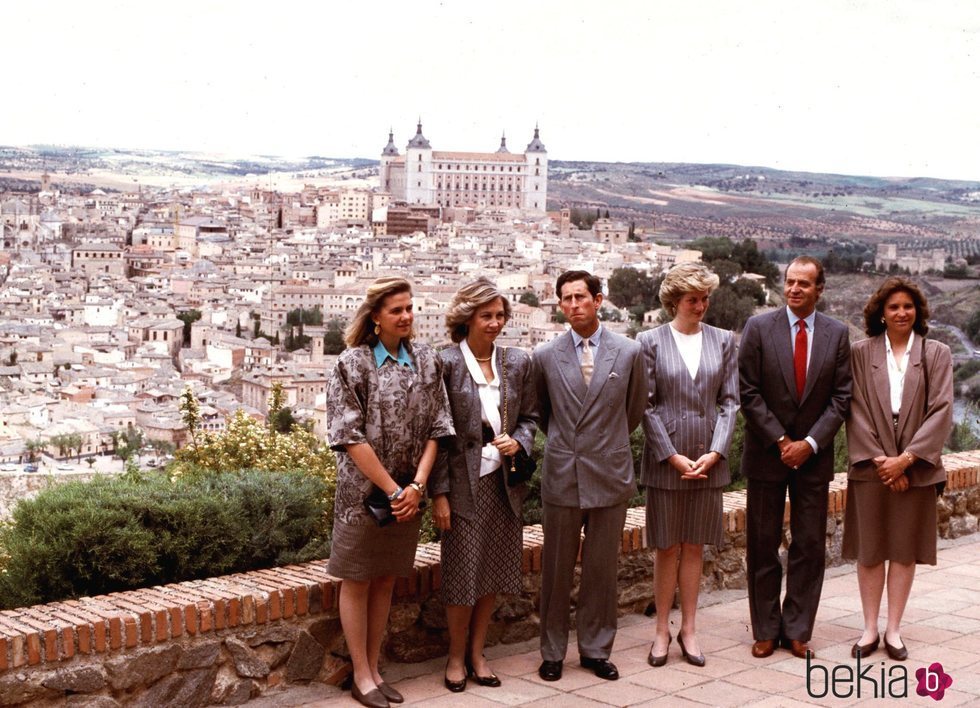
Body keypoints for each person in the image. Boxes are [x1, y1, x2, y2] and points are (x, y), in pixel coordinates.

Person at [325, 276, 454, 708]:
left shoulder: (426, 360)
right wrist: (395, 488)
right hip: (363, 496)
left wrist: (417, 486)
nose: (406, 316)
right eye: (396, 309)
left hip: (407, 498)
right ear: (375, 317)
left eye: (410, 308)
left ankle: (375, 668)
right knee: (357, 579)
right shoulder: (352, 364)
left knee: (384, 582)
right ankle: (360, 675)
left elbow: (440, 426)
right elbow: (348, 435)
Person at [532, 270, 647, 682]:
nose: (573, 305)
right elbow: (544, 414)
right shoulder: (545, 355)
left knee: (602, 569)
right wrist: (571, 443)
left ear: (599, 301)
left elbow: (633, 412)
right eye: (566, 299)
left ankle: (596, 650)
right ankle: (552, 651)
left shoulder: (629, 352)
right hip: (564, 471)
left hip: (610, 471)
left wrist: (603, 441)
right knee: (556, 569)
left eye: (581, 297)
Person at [739, 256, 851, 660]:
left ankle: (799, 629)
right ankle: (766, 629)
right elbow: (747, 391)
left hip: (814, 460)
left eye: (805, 283)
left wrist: (810, 444)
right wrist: (782, 441)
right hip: (768, 455)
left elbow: (841, 398)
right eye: (790, 282)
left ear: (820, 289)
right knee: (763, 543)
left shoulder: (837, 335)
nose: (795, 289)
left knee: (808, 546)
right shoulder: (757, 327)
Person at [429, 278, 538, 692]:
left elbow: (530, 417)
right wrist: (438, 493)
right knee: (462, 574)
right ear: (467, 318)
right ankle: (455, 658)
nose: (495, 323)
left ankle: (478, 653)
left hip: (504, 486)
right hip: (462, 486)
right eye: (486, 316)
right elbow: (435, 434)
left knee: (492, 570)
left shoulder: (516, 362)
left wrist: (520, 441)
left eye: (499, 316)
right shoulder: (446, 364)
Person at [843, 278, 953, 662]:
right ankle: (869, 628)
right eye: (893, 307)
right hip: (871, 466)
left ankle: (894, 630)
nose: (902, 313)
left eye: (908, 306)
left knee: (904, 551)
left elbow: (941, 410)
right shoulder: (859, 352)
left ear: (918, 312)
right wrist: (882, 462)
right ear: (881, 313)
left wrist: (905, 460)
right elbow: (853, 408)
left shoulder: (937, 353)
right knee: (870, 551)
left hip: (916, 468)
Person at [638, 263, 739, 667]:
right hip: (667, 461)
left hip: (708, 460)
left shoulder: (725, 340)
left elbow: (731, 401)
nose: (701, 305)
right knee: (666, 546)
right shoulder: (650, 341)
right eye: (693, 299)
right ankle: (661, 629)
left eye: (705, 298)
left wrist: (716, 452)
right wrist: (671, 455)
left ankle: (690, 629)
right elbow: (645, 405)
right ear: (674, 301)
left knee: (695, 545)